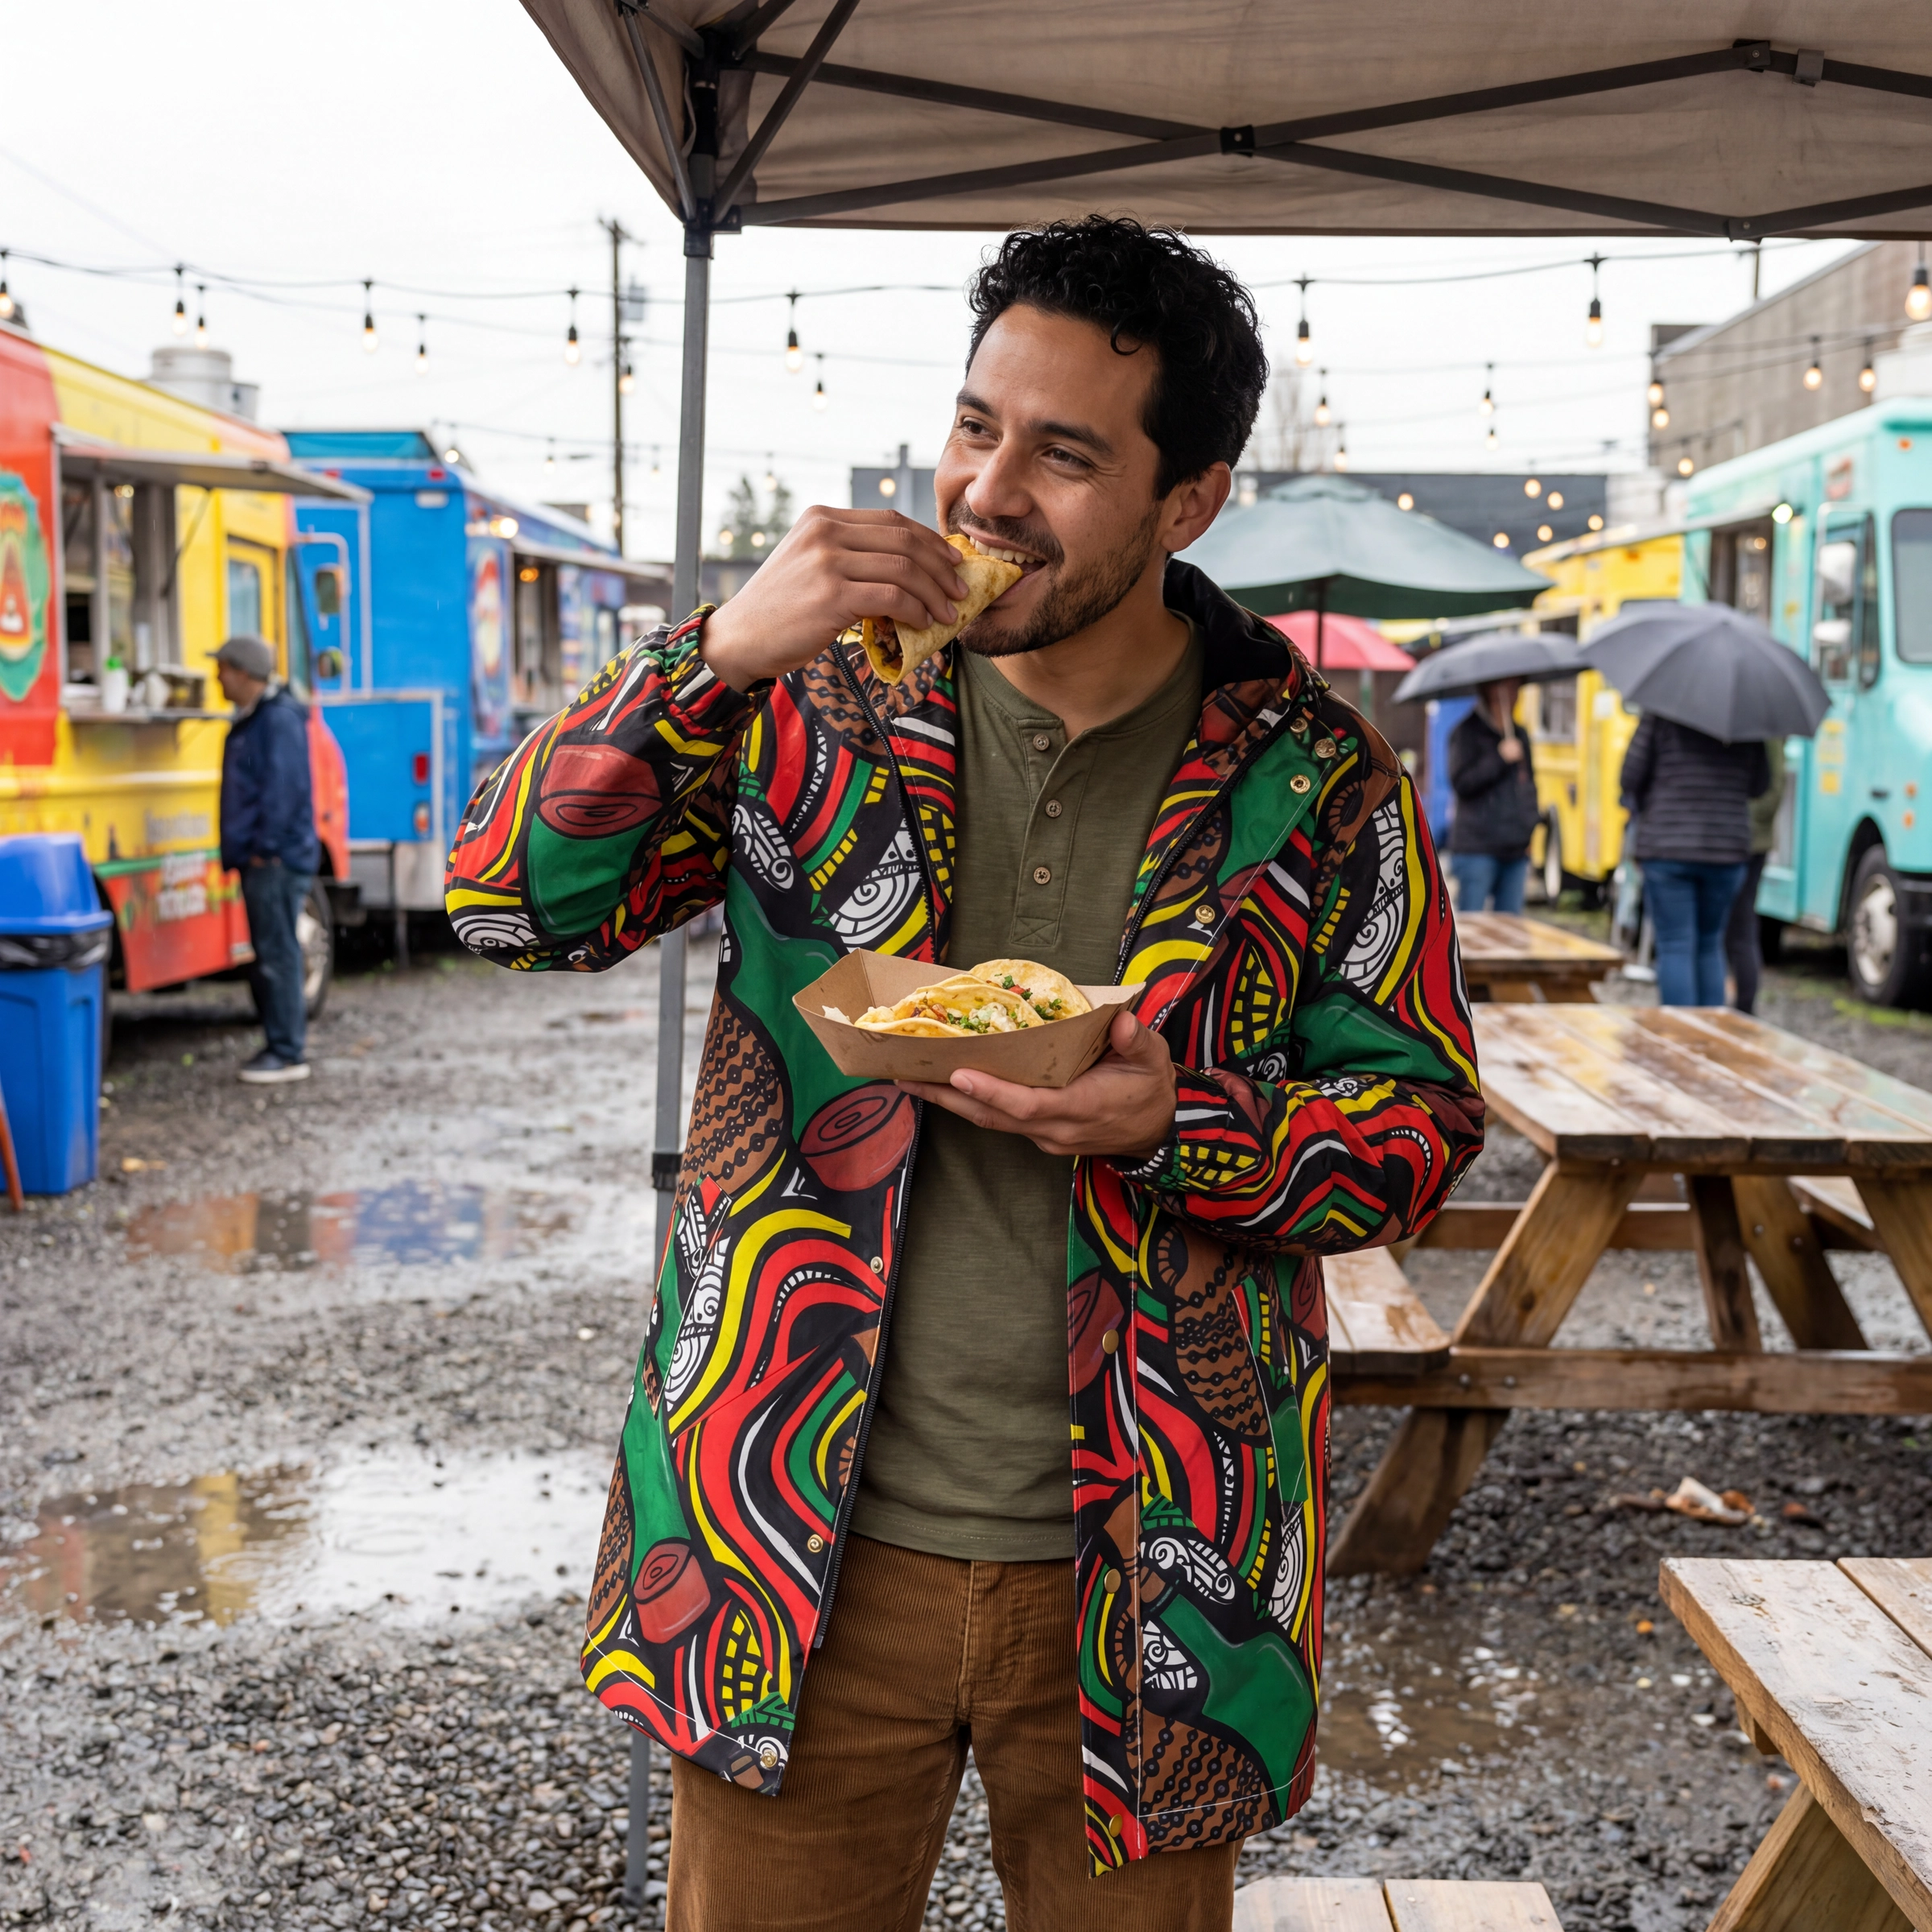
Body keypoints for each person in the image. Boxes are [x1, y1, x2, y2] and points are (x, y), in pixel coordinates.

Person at [448, 217, 1484, 1932]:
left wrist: (1183, 1127)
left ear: (1190, 501)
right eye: (976, 427)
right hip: (786, 1549)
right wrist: (712, 657)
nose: (988, 494)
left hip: (1164, 1579)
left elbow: (1424, 1131)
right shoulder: (810, 698)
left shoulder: (1317, 775)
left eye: (1067, 456)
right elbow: (502, 906)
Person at [215, 634, 317, 1084]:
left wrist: (264, 851)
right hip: (269, 858)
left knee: (277, 953)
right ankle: (281, 1045)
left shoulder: (275, 721)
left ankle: (287, 1051)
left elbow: (284, 791)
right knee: (273, 951)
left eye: (222, 668)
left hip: (274, 861)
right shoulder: (266, 717)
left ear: (242, 672)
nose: (218, 676)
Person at [1620, 712, 1770, 1007]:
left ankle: (1681, 1035)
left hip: (1667, 845)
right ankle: (1709, 1038)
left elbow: (1630, 776)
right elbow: (1760, 785)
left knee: (1675, 944)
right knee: (1709, 943)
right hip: (1726, 848)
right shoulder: (1744, 716)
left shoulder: (1662, 712)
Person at [1446, 677, 1538, 912]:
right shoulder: (1466, 732)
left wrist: (1529, 826)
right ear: (1488, 690)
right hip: (1477, 847)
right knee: (1472, 926)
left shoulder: (1519, 734)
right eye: (1503, 687)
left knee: (1512, 929)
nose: (1510, 694)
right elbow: (1462, 783)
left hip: (1515, 847)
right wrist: (1499, 759)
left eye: (1514, 687)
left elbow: (1528, 784)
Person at [1724, 738, 1785, 1013]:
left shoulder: (1766, 736)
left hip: (1746, 841)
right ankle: (1738, 1004)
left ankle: (1744, 1007)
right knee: (1736, 928)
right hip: (1743, 838)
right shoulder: (1765, 726)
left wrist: (1740, 817)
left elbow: (1771, 791)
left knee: (1739, 927)